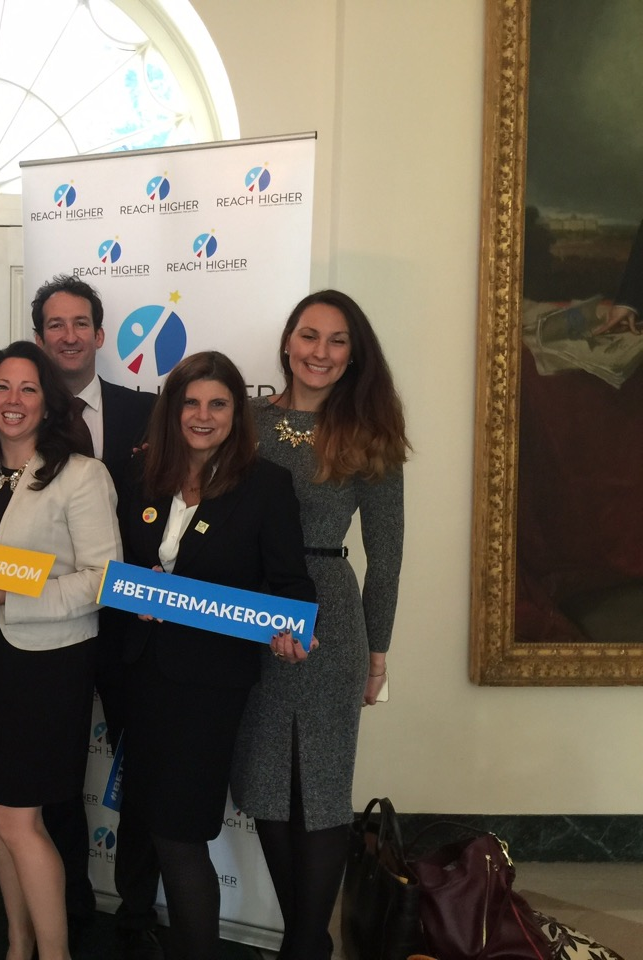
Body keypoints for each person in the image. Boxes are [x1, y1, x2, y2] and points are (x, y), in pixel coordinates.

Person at [118, 351, 315, 960]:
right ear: (172, 410)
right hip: (140, 677)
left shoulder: (266, 485)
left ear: (237, 412)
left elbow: (290, 583)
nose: (202, 416)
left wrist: (294, 630)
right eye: (191, 403)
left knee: (180, 835)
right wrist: (137, 591)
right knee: (151, 825)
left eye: (218, 404)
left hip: (208, 689)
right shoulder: (141, 474)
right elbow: (111, 564)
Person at [232, 290, 408, 960]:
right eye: (310, 336)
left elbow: (386, 555)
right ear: (288, 341)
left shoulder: (368, 434)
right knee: (266, 784)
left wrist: (378, 654)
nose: (321, 352)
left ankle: (304, 945)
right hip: (251, 608)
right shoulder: (246, 420)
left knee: (322, 788)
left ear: (353, 355)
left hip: (329, 617)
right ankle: (305, 938)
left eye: (338, 341)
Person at [0, 341, 121, 960]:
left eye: (28, 388)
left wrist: (16, 598)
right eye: (2, 387)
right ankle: (18, 944)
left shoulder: (81, 474)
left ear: (49, 402)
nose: (13, 399)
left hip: (44, 667)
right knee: (2, 813)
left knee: (18, 820)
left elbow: (104, 580)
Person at [29, 275, 160, 959]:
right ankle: (69, 903)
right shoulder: (20, 412)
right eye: (56, 324)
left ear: (101, 334)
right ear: (39, 337)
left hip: (137, 625)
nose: (69, 335)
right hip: (54, 620)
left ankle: (137, 912)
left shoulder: (149, 412)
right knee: (56, 774)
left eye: (81, 323)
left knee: (146, 768)